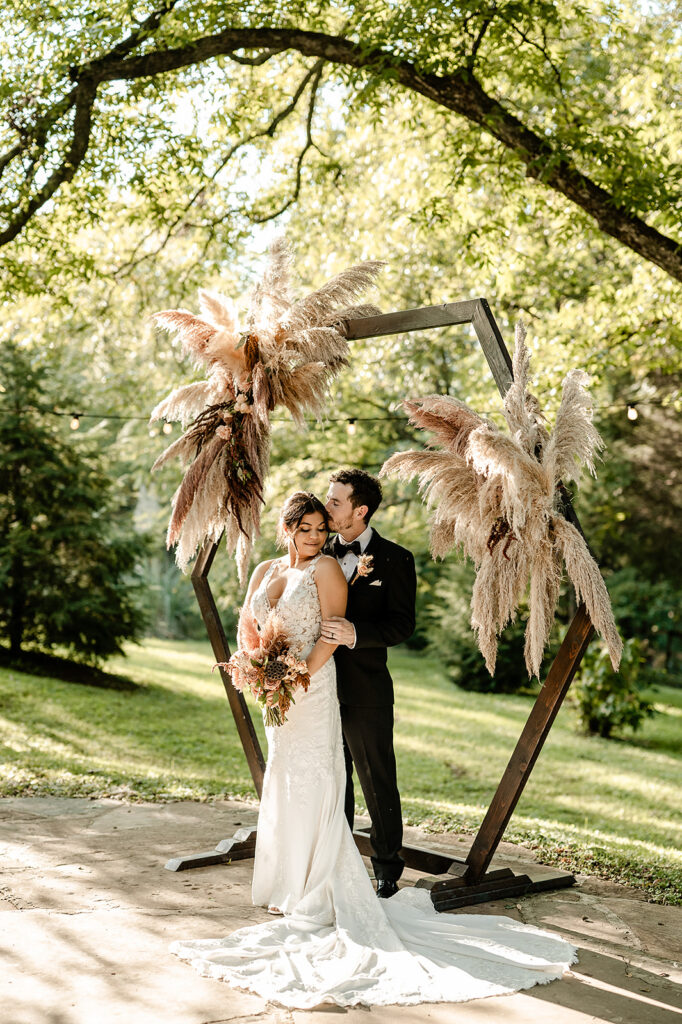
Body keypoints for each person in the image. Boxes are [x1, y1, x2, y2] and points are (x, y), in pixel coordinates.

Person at [170, 490, 577, 1009]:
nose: (320, 532)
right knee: (293, 782)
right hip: (280, 691)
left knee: (366, 776)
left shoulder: (377, 562)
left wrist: (294, 677)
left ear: (360, 509)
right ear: (288, 528)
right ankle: (290, 879)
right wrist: (255, 666)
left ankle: (378, 869)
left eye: (330, 516)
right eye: (310, 526)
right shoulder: (271, 567)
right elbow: (249, 624)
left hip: (327, 685)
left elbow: (382, 627)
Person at [321, 468, 415, 897]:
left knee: (377, 778)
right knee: (330, 777)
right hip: (316, 686)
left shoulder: (396, 558)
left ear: (360, 510)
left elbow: (402, 625)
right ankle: (336, 862)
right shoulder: (313, 548)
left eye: (336, 501)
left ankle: (386, 869)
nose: (328, 507)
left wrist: (356, 634)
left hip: (367, 688)